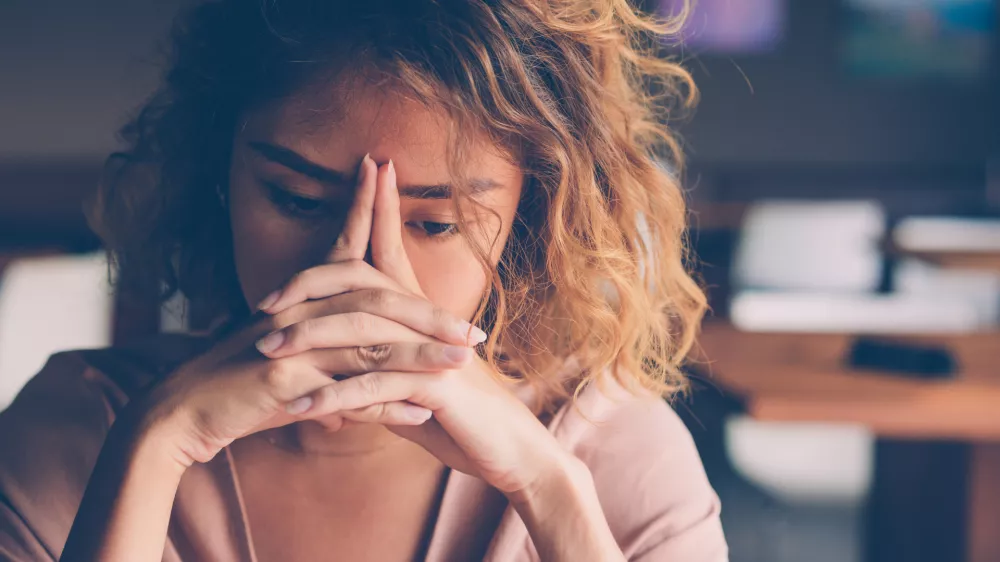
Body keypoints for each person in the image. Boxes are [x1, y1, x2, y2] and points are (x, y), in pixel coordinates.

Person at [0, 0, 727, 560]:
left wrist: (550, 492)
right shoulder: (78, 433)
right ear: (219, 176)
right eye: (296, 200)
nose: (363, 275)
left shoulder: (613, 456)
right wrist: (157, 448)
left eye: (437, 223)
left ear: (527, 222)